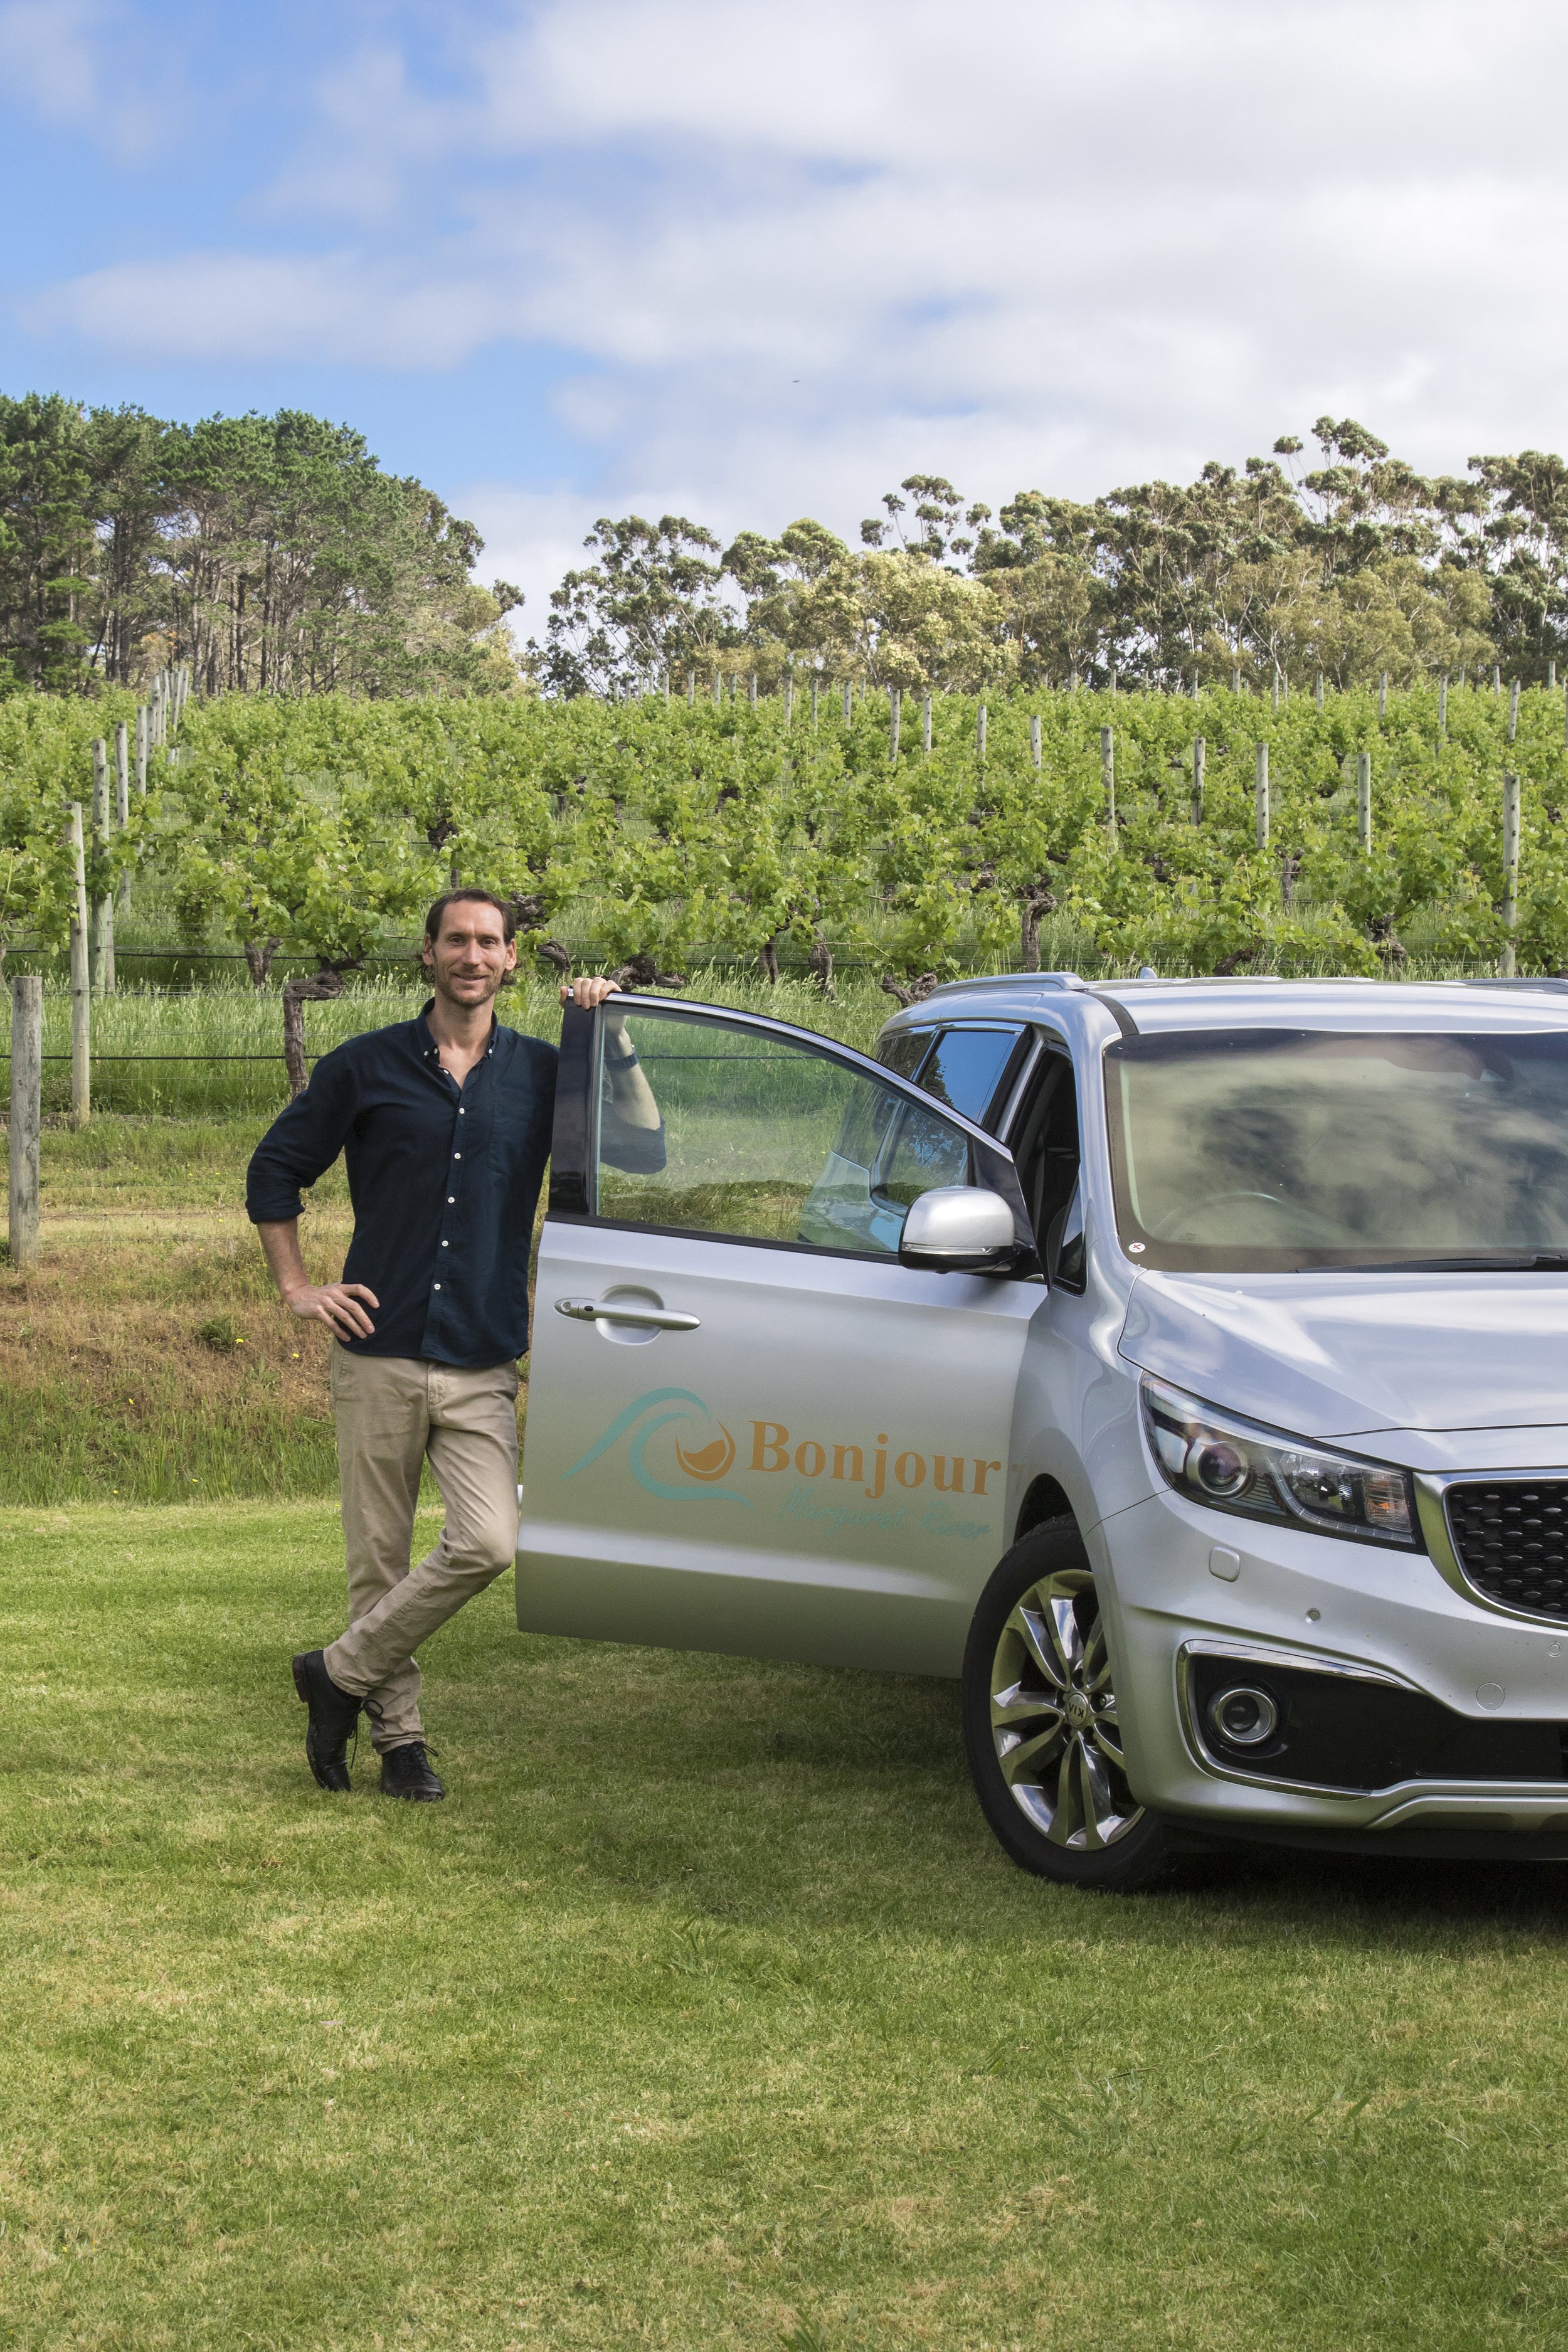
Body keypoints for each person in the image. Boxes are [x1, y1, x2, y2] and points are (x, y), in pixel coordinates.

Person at [246, 889, 664, 1801]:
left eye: (489, 942)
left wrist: (616, 1038)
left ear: (513, 960)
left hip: (481, 1354)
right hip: (376, 1348)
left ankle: (336, 1675)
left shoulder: (549, 1072)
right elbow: (274, 1170)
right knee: (379, 1558)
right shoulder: (364, 1067)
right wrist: (296, 1286)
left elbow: (643, 1149)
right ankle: (400, 1745)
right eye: (456, 940)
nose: (472, 955)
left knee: (489, 1542)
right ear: (427, 955)